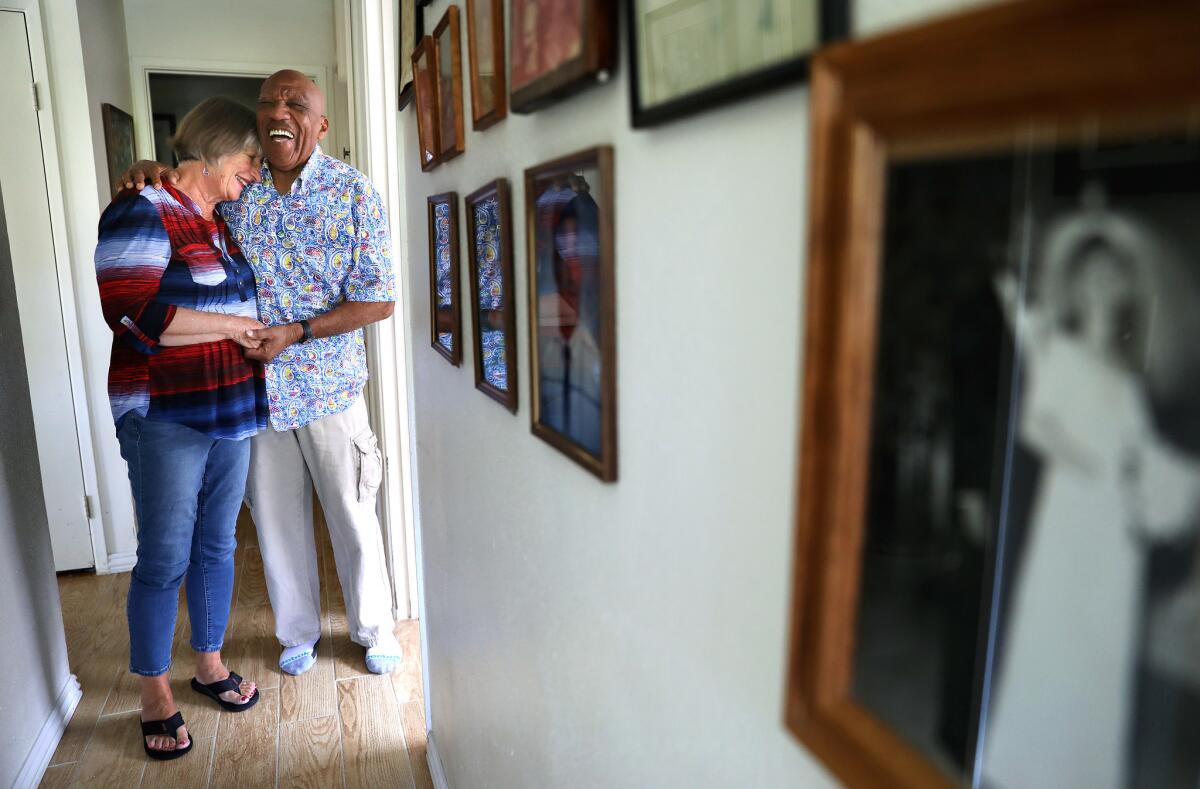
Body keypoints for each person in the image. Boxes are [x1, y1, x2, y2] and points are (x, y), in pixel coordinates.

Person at [123, 70, 402, 677]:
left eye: (295, 103)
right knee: (275, 524)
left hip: (328, 389)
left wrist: (298, 332)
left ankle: (374, 627)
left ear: (320, 124)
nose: (279, 110)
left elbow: (379, 300)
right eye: (269, 101)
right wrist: (153, 167)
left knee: (353, 513)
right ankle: (296, 632)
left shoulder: (353, 193)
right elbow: (186, 188)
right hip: (254, 396)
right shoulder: (239, 189)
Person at [96, 97, 267, 760]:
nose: (254, 171)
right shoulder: (141, 210)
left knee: (217, 545)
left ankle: (210, 665)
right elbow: (131, 313)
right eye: (250, 158)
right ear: (217, 148)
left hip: (229, 409)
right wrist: (232, 325)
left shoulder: (219, 221)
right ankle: (154, 692)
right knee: (165, 556)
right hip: (164, 413)